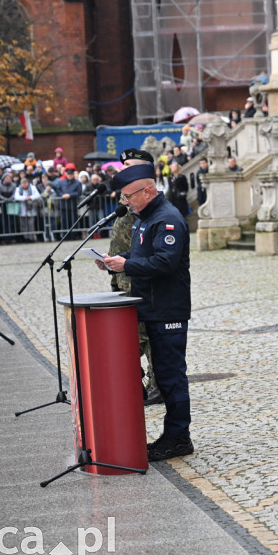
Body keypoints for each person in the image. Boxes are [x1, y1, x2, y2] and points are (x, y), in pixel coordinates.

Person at [102, 163, 192, 461]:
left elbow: (164, 262)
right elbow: (143, 254)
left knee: (170, 376)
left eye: (129, 196)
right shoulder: (144, 218)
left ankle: (178, 437)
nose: (125, 202)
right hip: (149, 306)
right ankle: (172, 435)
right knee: (163, 377)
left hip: (167, 309)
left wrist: (126, 265)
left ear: (148, 190)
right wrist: (119, 259)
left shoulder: (167, 219)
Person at [108, 148, 160, 405]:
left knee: (146, 335)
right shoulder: (127, 197)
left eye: (130, 165)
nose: (124, 169)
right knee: (132, 334)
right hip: (123, 273)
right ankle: (137, 382)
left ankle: (156, 383)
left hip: (139, 276)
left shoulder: (147, 201)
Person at [12, 177, 42, 242]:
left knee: (31, 224)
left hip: (31, 209)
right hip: (22, 210)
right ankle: (25, 237)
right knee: (23, 225)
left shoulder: (33, 188)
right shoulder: (18, 189)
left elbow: (38, 195)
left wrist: (30, 197)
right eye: (23, 183)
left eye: (25, 183)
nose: (24, 185)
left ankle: (31, 238)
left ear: (28, 183)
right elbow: (16, 197)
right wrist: (24, 198)